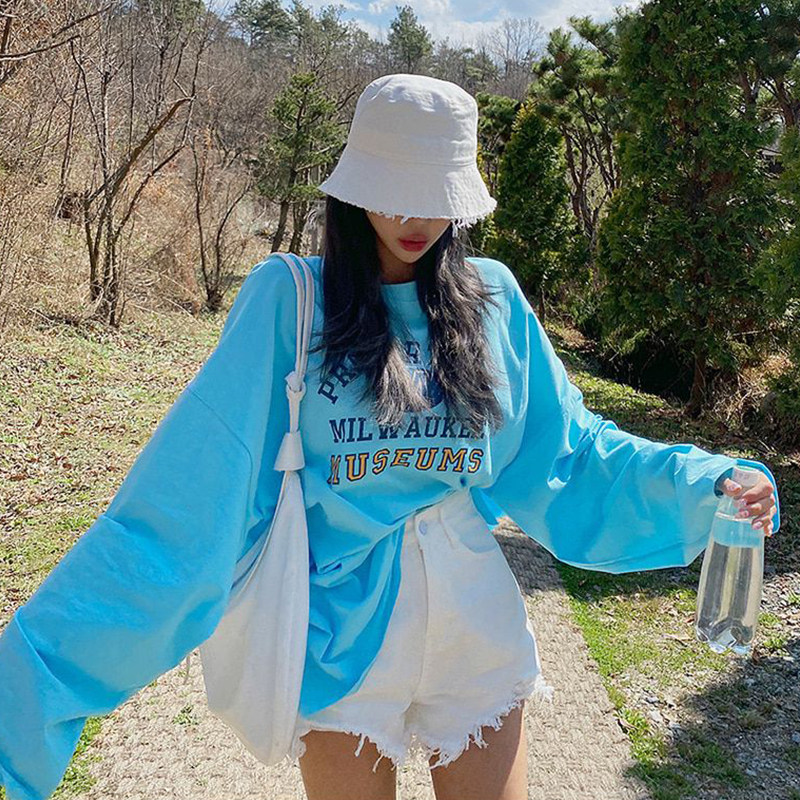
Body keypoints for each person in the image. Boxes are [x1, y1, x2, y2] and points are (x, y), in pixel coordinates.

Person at [0, 74, 780, 800]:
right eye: (395, 192)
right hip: (340, 637)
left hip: (475, 627)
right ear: (356, 189)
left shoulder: (492, 301)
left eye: (435, 196)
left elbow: (571, 453)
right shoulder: (292, 301)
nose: (415, 219)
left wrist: (708, 480)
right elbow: (186, 499)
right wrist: (35, 674)